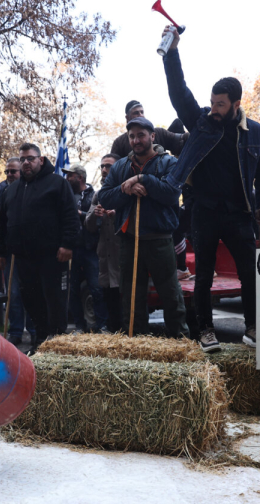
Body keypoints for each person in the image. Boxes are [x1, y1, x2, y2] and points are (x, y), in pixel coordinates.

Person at [161, 27, 260, 352]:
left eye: (220, 104)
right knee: (204, 277)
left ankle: (253, 327)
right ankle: (206, 331)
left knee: (250, 275)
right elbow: (179, 92)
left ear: (236, 104)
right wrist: (171, 52)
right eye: (211, 102)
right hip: (205, 212)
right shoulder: (200, 122)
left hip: (240, 214)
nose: (214, 108)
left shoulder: (256, 133)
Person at [98, 117, 190, 338]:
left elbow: (171, 194)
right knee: (131, 295)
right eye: (132, 136)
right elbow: (105, 197)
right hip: (129, 240)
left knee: (170, 293)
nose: (136, 140)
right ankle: (136, 340)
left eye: (140, 135)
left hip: (160, 239)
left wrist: (144, 179)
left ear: (152, 136)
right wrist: (126, 190)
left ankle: (180, 341)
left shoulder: (169, 163)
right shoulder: (120, 166)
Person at [0, 143, 80, 350]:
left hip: (53, 257)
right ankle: (40, 344)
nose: (25, 163)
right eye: (22, 159)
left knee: (56, 304)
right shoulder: (11, 190)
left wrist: (68, 244)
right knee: (32, 302)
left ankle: (59, 346)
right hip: (23, 259)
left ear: (40, 160)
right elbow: (2, 224)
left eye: (30, 158)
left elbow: (70, 217)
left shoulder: (57, 184)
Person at [0, 157, 35, 345]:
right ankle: (16, 331)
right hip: (11, 250)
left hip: (31, 251)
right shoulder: (2, 191)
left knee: (32, 292)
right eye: (7, 171)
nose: (10, 175)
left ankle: (34, 331)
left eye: (13, 171)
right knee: (14, 293)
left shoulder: (32, 187)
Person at [63, 164, 108, 332]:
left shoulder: (95, 195)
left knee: (96, 288)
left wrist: (80, 214)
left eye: (70, 176)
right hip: (72, 250)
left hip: (92, 250)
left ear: (79, 177)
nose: (67, 179)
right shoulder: (67, 196)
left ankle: (102, 326)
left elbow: (97, 219)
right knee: (73, 290)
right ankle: (79, 327)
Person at [85, 154, 122, 333]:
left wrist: (118, 215)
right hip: (106, 259)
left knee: (129, 304)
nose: (104, 170)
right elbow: (89, 225)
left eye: (108, 166)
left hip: (124, 259)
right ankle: (114, 334)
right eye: (102, 166)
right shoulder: (98, 195)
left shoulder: (127, 190)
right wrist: (95, 214)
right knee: (110, 300)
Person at [110, 100, 187, 159]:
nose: (141, 115)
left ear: (153, 136)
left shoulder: (159, 133)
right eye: (136, 113)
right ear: (127, 118)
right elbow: (111, 167)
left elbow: (181, 140)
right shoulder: (119, 143)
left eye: (142, 112)